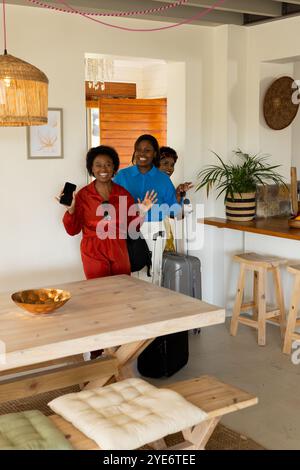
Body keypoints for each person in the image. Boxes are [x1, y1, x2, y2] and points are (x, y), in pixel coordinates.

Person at [59, 145, 156, 280]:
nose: (103, 169)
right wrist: (71, 210)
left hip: (119, 250)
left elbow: (132, 229)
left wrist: (142, 211)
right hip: (93, 251)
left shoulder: (123, 194)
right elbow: (72, 230)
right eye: (98, 165)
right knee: (99, 292)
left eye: (108, 165)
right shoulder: (83, 195)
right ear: (91, 168)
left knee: (122, 289)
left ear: (114, 168)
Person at [114, 135, 181, 284]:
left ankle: (153, 306)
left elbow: (173, 210)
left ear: (155, 153)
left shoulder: (163, 179)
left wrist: (178, 196)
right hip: (128, 227)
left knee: (153, 272)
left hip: (154, 229)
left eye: (147, 150)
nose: (142, 154)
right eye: (138, 150)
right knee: (129, 272)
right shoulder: (122, 176)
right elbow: (111, 202)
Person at [159, 146, 193, 252]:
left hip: (163, 231)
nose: (169, 168)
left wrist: (179, 193)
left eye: (172, 165)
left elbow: (174, 212)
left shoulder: (167, 183)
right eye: (165, 163)